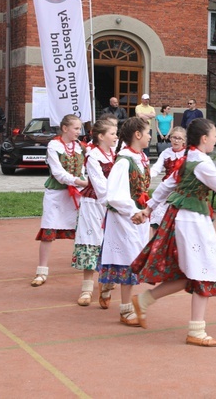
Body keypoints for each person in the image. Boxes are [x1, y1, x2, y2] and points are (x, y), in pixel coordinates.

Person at [130, 118, 216, 346]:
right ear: (204, 138)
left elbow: (167, 185)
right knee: (204, 270)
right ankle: (196, 330)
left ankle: (146, 300)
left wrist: (149, 208)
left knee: (188, 272)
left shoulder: (189, 158)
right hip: (192, 221)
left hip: (183, 218)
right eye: (215, 135)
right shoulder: (201, 162)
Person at [99, 116, 152, 326]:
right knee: (127, 261)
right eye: (147, 132)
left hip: (137, 218)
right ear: (137, 135)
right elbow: (113, 194)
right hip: (124, 219)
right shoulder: (123, 161)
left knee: (132, 259)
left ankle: (107, 288)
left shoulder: (140, 158)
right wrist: (133, 210)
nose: (150, 136)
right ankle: (125, 309)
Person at [31, 114, 87, 287]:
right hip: (56, 194)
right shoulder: (54, 145)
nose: (79, 132)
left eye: (79, 128)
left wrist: (84, 183)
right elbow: (58, 173)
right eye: (76, 128)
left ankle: (91, 266)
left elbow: (84, 169)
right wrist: (78, 181)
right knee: (48, 229)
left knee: (85, 230)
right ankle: (42, 271)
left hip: (76, 194)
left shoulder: (80, 147)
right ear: (65, 128)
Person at [72, 120, 117, 307]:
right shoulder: (93, 156)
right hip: (94, 204)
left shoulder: (115, 154)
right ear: (101, 136)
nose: (116, 136)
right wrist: (116, 202)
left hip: (111, 204)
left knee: (110, 243)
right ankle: (86, 289)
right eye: (113, 133)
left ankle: (105, 287)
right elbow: (100, 186)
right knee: (92, 242)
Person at [149, 127, 187, 228]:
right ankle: (156, 242)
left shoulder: (187, 154)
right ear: (170, 138)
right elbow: (156, 168)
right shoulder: (166, 152)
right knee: (157, 219)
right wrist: (148, 177)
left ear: (184, 140)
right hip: (166, 187)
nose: (176, 140)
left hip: (181, 189)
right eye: (174, 137)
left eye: (179, 138)